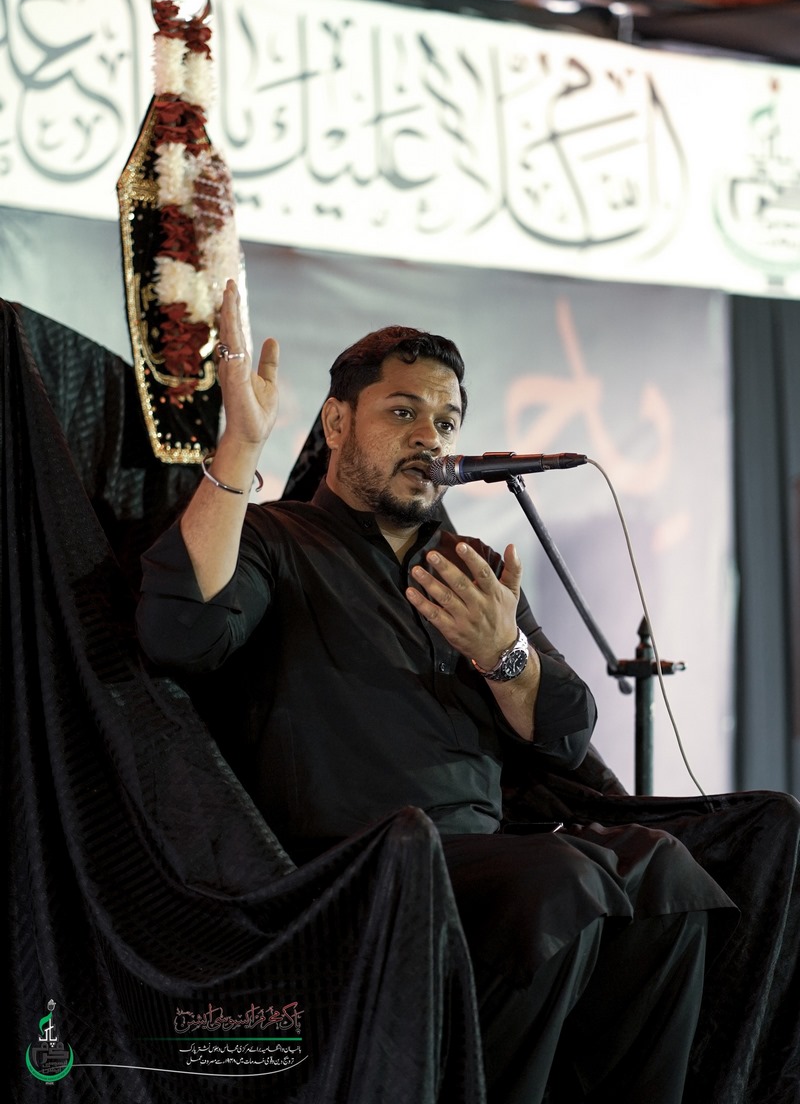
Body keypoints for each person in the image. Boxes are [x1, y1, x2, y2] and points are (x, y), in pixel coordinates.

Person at [137, 279, 736, 1104]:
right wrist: (240, 446)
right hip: (351, 866)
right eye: (403, 412)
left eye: (447, 422)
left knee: (666, 873)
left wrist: (502, 654)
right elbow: (179, 631)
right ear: (336, 423)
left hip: (486, 858)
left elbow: (566, 730)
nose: (431, 436)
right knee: (559, 881)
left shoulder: (471, 568)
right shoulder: (277, 538)